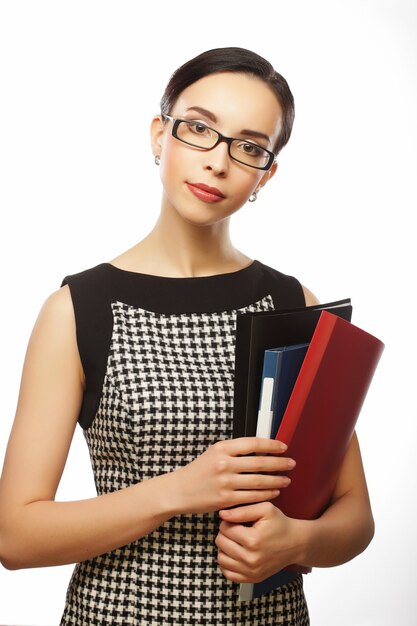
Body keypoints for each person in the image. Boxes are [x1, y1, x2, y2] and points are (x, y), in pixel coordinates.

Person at [0, 47, 375, 625]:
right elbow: (15, 536)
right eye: (199, 128)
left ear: (265, 174)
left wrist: (296, 543)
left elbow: (356, 518)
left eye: (248, 146)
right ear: (160, 135)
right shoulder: (79, 309)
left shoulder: (291, 302)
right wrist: (181, 489)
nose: (217, 162)